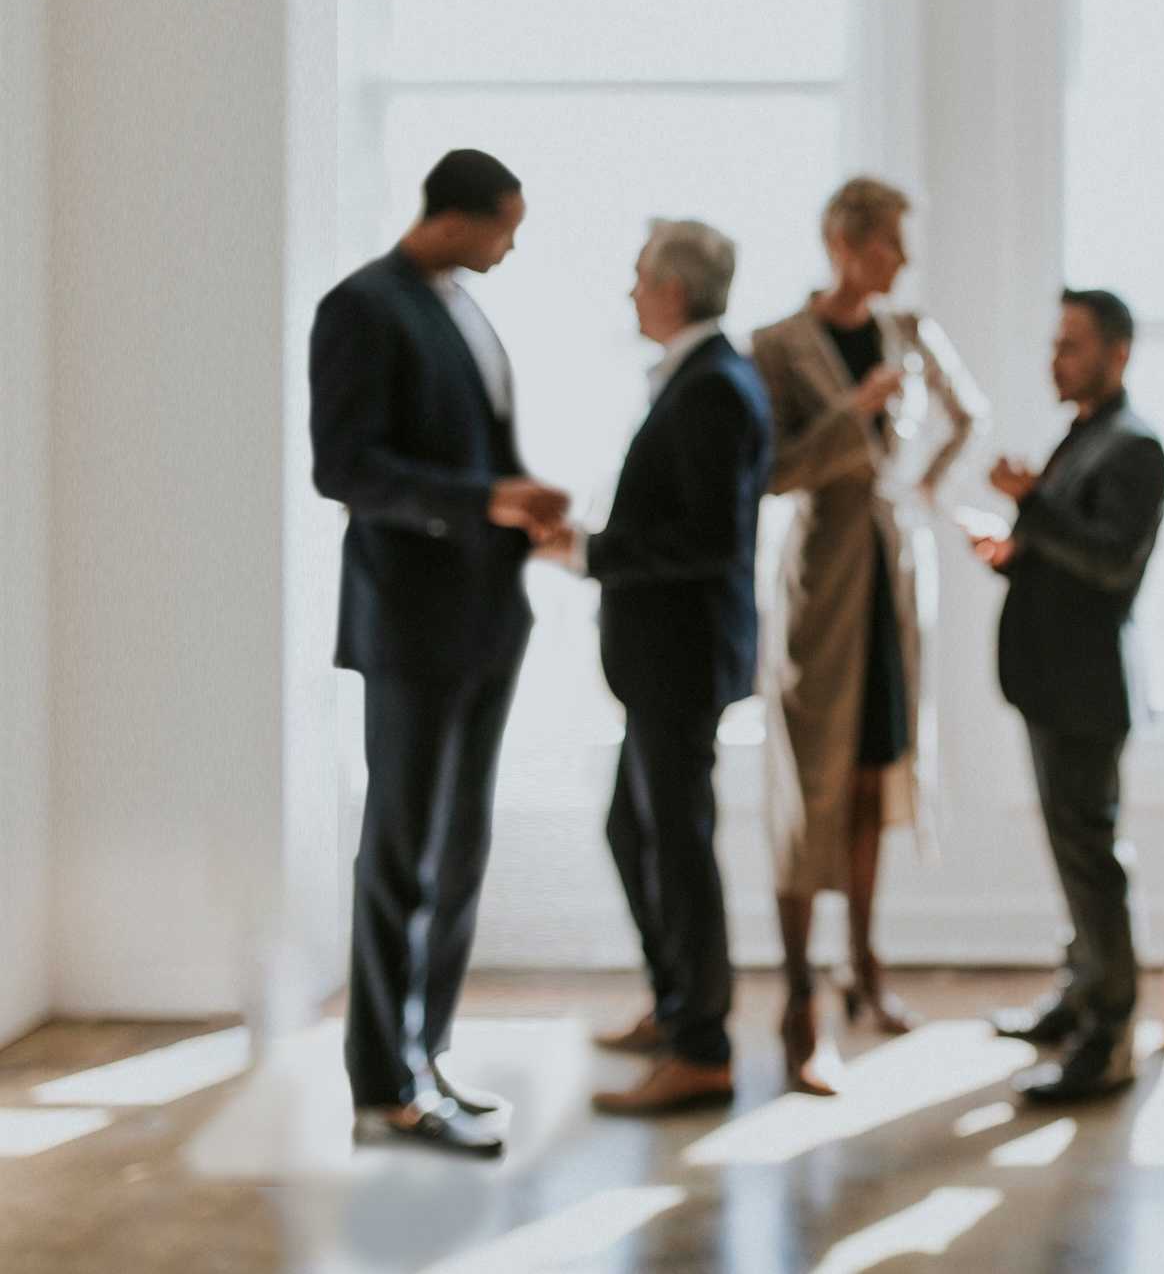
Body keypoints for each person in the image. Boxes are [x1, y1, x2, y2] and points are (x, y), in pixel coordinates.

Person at [309, 149, 568, 1157]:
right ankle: (384, 1087)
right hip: (411, 625)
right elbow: (345, 466)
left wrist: (518, 500)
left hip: (486, 616)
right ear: (455, 217)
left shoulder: (460, 301)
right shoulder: (361, 306)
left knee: (459, 850)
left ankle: (428, 1052)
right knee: (402, 851)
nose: (512, 244)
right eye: (506, 224)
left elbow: (471, 451)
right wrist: (481, 500)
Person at [750, 177, 985, 1094]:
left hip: (894, 577)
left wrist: (922, 483)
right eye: (889, 242)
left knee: (872, 774)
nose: (902, 260)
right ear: (842, 242)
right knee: (811, 782)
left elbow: (968, 413)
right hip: (822, 577)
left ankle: (865, 968)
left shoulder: (909, 330)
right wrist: (855, 411)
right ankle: (800, 1000)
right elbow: (772, 471)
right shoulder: (776, 345)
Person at [540, 220, 771, 1115]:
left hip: (680, 658)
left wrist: (590, 551)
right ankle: (679, 1006)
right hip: (668, 660)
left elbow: (707, 541)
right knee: (636, 834)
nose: (631, 291)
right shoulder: (703, 378)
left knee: (674, 844)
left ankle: (704, 1046)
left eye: (640, 276)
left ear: (674, 289)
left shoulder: (713, 386)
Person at [974, 289, 1164, 1102]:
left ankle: (1109, 1032)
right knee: (1074, 849)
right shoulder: (1088, 434)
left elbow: (1110, 562)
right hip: (1052, 682)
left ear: (1117, 352)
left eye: (1073, 346)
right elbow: (1063, 549)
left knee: (1092, 856)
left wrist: (1030, 503)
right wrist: (1013, 551)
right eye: (1054, 345)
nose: (1057, 360)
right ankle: (1081, 992)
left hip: (1086, 687)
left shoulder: (1136, 446)